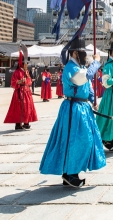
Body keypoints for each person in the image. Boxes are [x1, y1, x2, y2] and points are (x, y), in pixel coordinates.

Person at [39, 37, 104, 188]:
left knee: (85, 140)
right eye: (83, 53)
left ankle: (71, 172)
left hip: (82, 107)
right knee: (75, 140)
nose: (85, 56)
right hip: (73, 108)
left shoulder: (78, 67)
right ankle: (70, 173)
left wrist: (93, 100)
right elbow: (84, 78)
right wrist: (96, 62)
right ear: (75, 53)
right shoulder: (70, 67)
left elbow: (87, 85)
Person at [4, 51, 38, 130]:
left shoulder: (26, 72)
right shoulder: (16, 72)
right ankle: (18, 124)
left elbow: (29, 81)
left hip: (26, 92)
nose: (27, 65)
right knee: (19, 108)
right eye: (26, 63)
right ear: (22, 64)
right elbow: (13, 83)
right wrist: (19, 82)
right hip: (19, 93)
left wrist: (27, 81)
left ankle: (26, 122)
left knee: (28, 107)